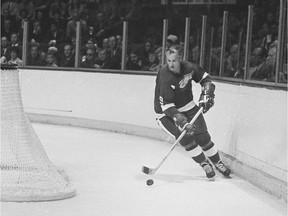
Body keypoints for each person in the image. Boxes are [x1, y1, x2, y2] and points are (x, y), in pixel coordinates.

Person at [154, 45, 231, 180]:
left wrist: (207, 92)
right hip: (166, 113)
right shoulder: (165, 76)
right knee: (186, 138)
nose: (171, 64)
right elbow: (167, 106)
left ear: (181, 59)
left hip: (188, 106)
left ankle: (217, 162)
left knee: (203, 137)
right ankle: (204, 163)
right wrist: (182, 122)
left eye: (174, 60)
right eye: (168, 60)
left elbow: (205, 79)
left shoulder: (189, 68)